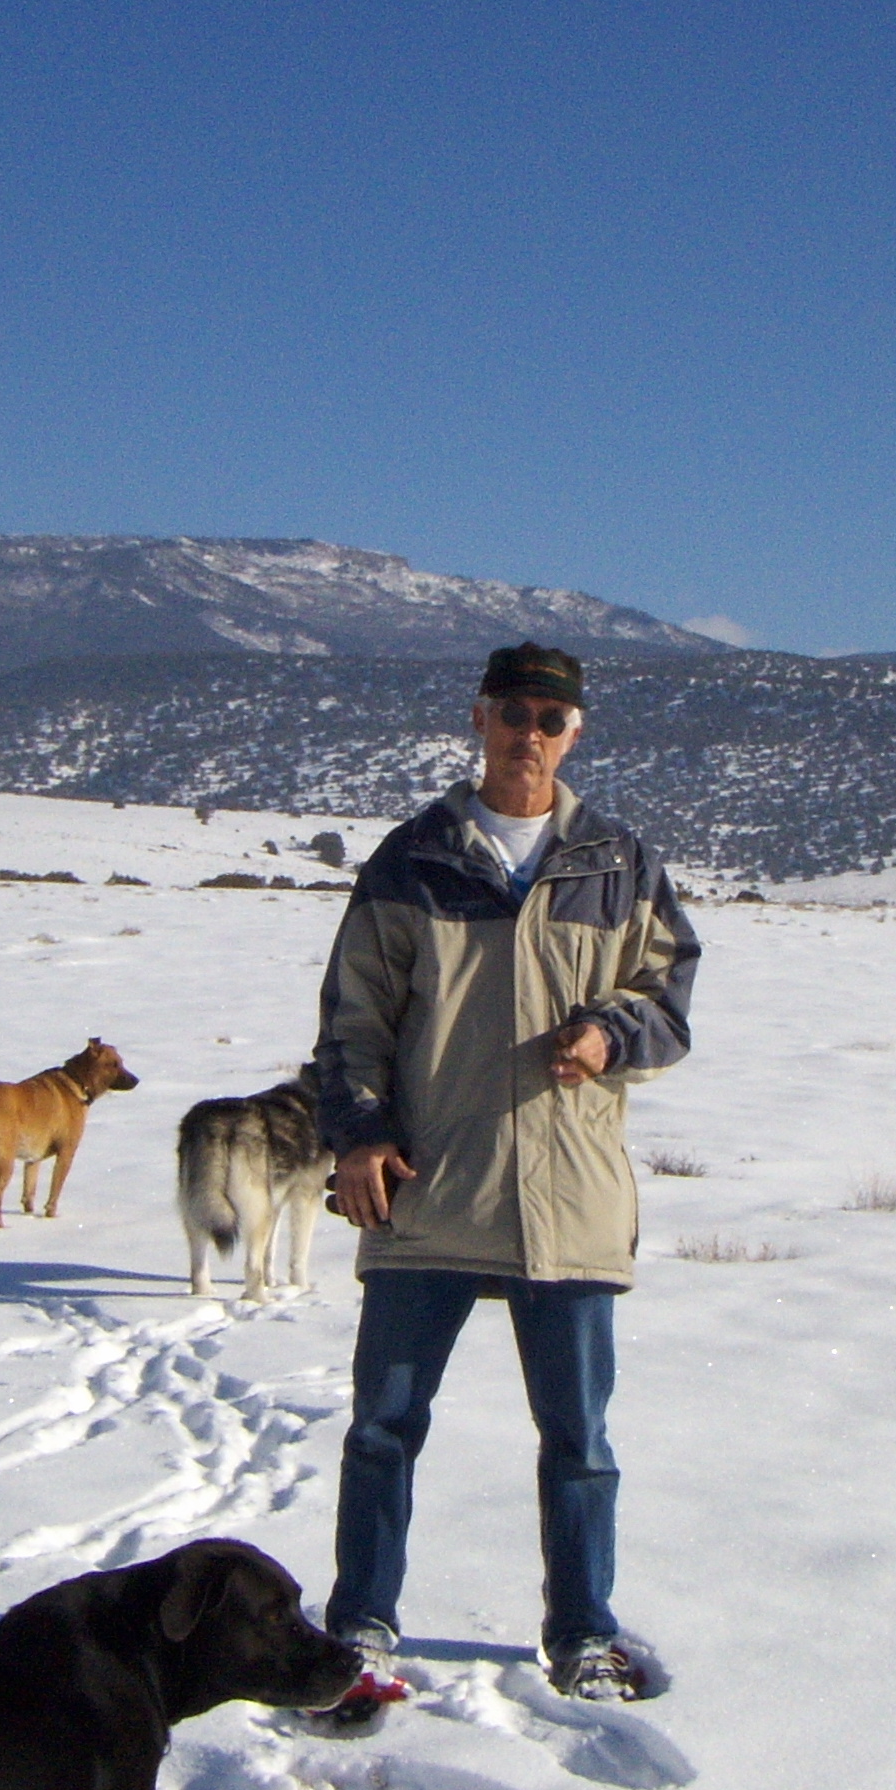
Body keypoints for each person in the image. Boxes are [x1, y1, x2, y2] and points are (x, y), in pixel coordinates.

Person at [312, 643, 701, 1703]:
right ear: (478, 719)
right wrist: (358, 1136)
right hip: (427, 1190)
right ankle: (360, 1630)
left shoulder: (618, 863)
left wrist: (612, 1033)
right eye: (514, 713)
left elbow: (669, 998)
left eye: (551, 718)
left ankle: (582, 1635)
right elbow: (352, 1022)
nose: (531, 734)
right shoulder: (413, 860)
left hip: (567, 1201)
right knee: (383, 1431)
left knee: (580, 1442)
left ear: (575, 733)